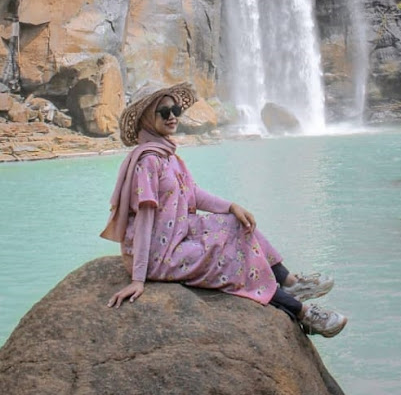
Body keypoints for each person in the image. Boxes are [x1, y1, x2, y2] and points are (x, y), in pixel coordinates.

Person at [101, 82, 347, 338]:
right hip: (159, 254)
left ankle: (289, 281)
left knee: (236, 223)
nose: (172, 116)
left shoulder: (168, 155)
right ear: (146, 120)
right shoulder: (149, 161)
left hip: (178, 234)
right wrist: (138, 278)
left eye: (174, 109)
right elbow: (144, 219)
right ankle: (302, 312)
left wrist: (232, 206)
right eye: (163, 112)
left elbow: (193, 194)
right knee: (230, 257)